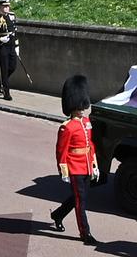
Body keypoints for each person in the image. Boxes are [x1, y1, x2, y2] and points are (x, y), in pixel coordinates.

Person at [50, 75, 99, 246]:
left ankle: (58, 214)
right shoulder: (67, 127)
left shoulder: (86, 122)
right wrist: (63, 170)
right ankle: (85, 233)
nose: (83, 109)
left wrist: (94, 164)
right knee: (81, 201)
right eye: (80, 105)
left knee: (79, 197)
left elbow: (90, 145)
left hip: (86, 165)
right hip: (74, 167)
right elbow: (61, 151)